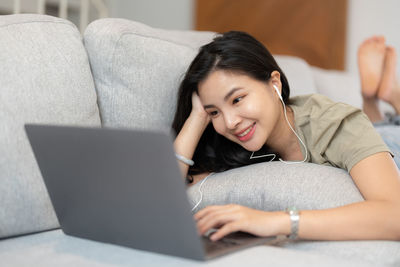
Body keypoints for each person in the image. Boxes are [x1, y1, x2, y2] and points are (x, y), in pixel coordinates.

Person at [172, 31, 400, 242]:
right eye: (215, 112)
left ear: (274, 83)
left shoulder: (335, 123)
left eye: (237, 99)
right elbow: (167, 192)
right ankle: (374, 101)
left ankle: (388, 95)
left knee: (389, 132)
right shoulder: (227, 140)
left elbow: (394, 216)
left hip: (391, 145)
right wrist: (197, 118)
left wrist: (278, 221)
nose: (230, 123)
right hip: (365, 135)